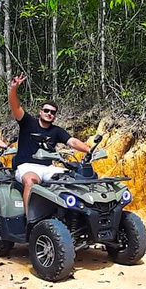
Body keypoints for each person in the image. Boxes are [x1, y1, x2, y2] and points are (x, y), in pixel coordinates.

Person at [8, 74, 91, 210]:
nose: (49, 113)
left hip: (48, 168)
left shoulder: (56, 131)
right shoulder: (28, 123)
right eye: (46, 110)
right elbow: (15, 107)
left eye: (52, 112)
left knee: (73, 179)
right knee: (31, 181)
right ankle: (29, 220)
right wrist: (13, 89)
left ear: (55, 116)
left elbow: (72, 142)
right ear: (40, 112)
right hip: (26, 167)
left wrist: (89, 149)